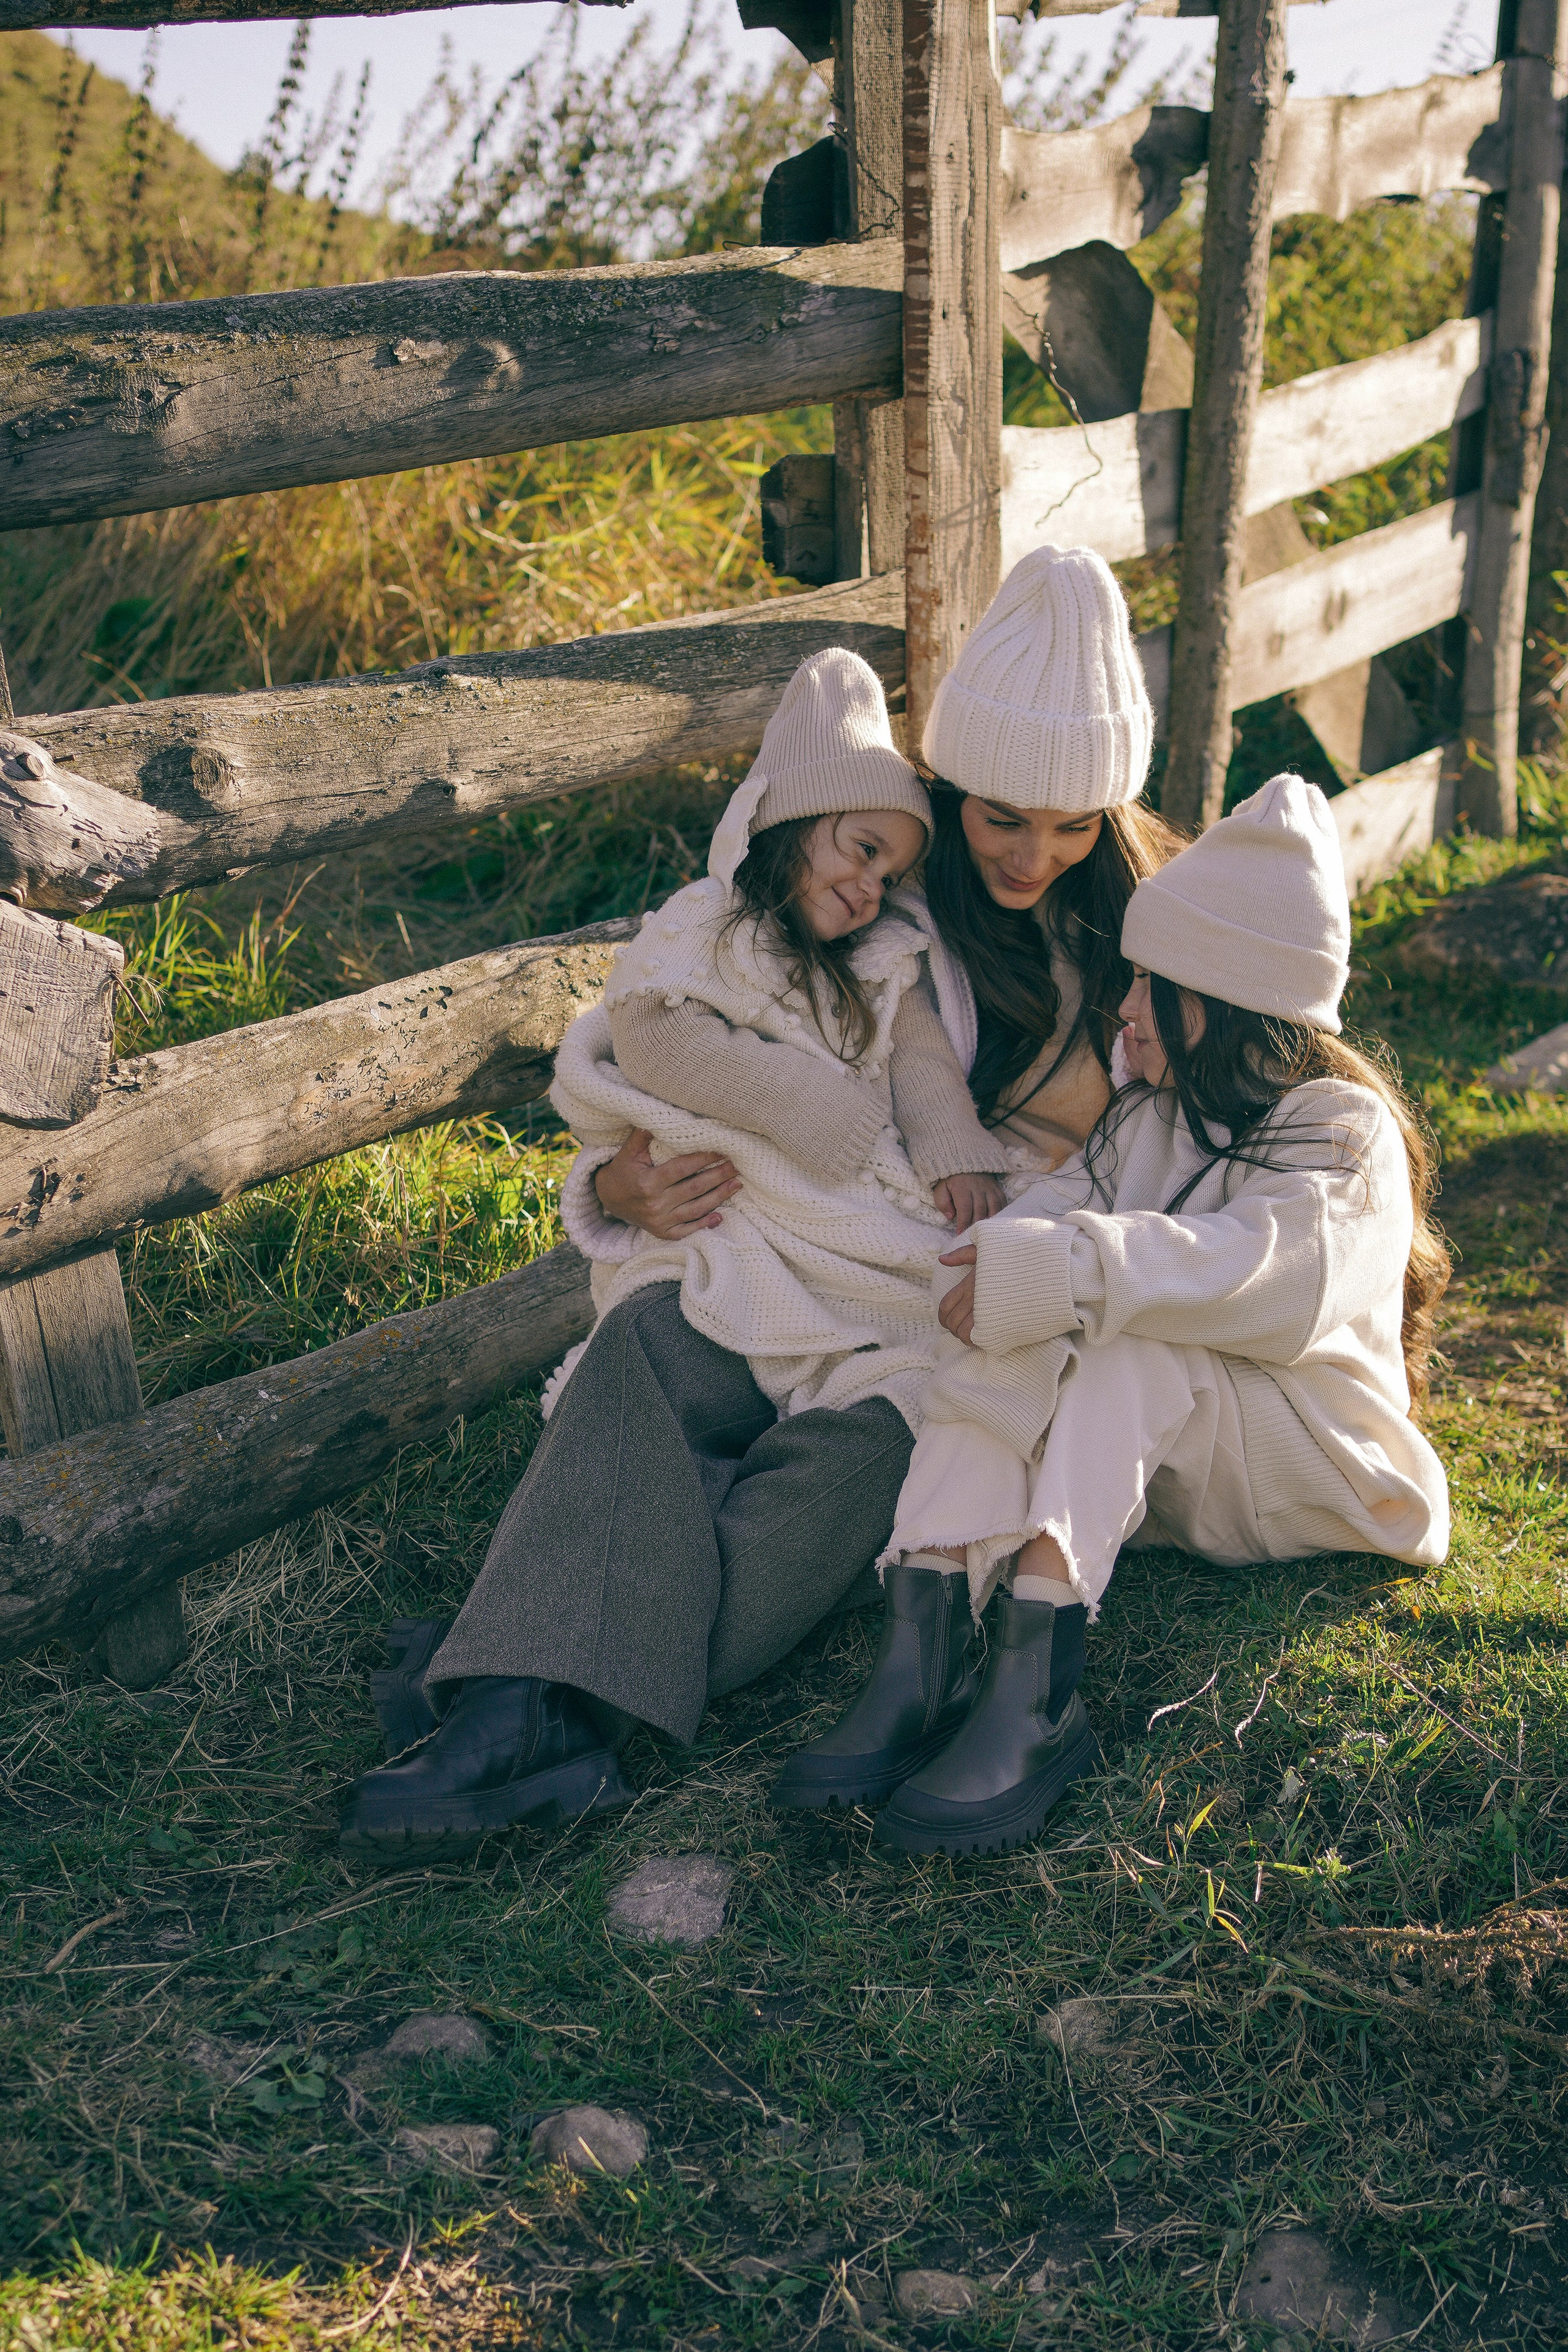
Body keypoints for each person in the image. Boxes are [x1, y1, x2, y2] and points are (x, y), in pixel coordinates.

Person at [336, 547, 1178, 1860]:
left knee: (837, 1486)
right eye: (1001, 815)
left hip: (934, 1318)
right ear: (944, 788)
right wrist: (615, 1184)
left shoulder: (1140, 949)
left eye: (1071, 826)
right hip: (768, 1264)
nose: (1031, 854)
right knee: (640, 1356)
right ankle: (517, 1719)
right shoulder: (873, 890)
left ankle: (514, 1683)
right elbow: (671, 1048)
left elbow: (1219, 1134)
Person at [775, 775, 1452, 1856]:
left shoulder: (1340, 1130)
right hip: (1185, 1476)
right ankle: (928, 1637)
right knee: (1022, 1311)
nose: (1124, 1009)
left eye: (1151, 985)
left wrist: (1065, 1264)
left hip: (1322, 1476)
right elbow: (1057, 1219)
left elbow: (1275, 1282)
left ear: (1227, 997)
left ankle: (1035, 1698)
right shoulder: (1149, 1115)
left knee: (1126, 1333)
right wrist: (993, 1264)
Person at [542, 645, 1007, 1440]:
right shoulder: (712, 927)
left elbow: (918, 1053)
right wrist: (802, 1102)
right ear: (792, 822)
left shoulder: (871, 962)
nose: (871, 888)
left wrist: (954, 1146)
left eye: (890, 877)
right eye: (864, 850)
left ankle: (854, 1378)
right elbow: (654, 1033)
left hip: (841, 1191)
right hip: (752, 1192)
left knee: (917, 1275)